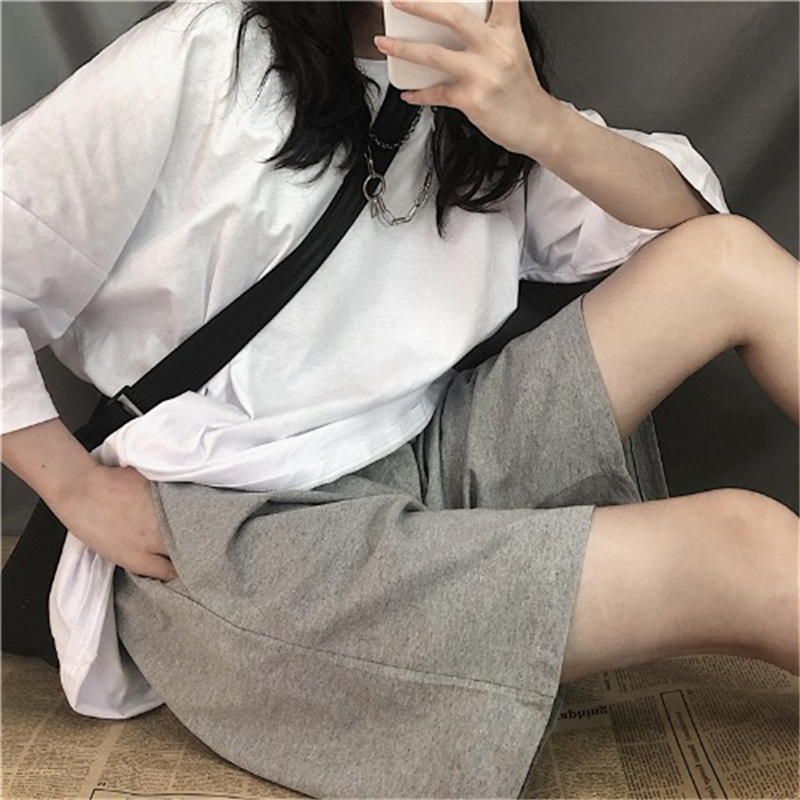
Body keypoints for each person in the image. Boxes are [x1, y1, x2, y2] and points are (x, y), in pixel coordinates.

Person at [2, 0, 797, 796]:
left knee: (724, 262)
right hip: (240, 526)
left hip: (424, 458)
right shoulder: (206, 53)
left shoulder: (476, 91)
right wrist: (76, 490)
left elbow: (681, 221)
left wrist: (541, 124)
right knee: (741, 549)